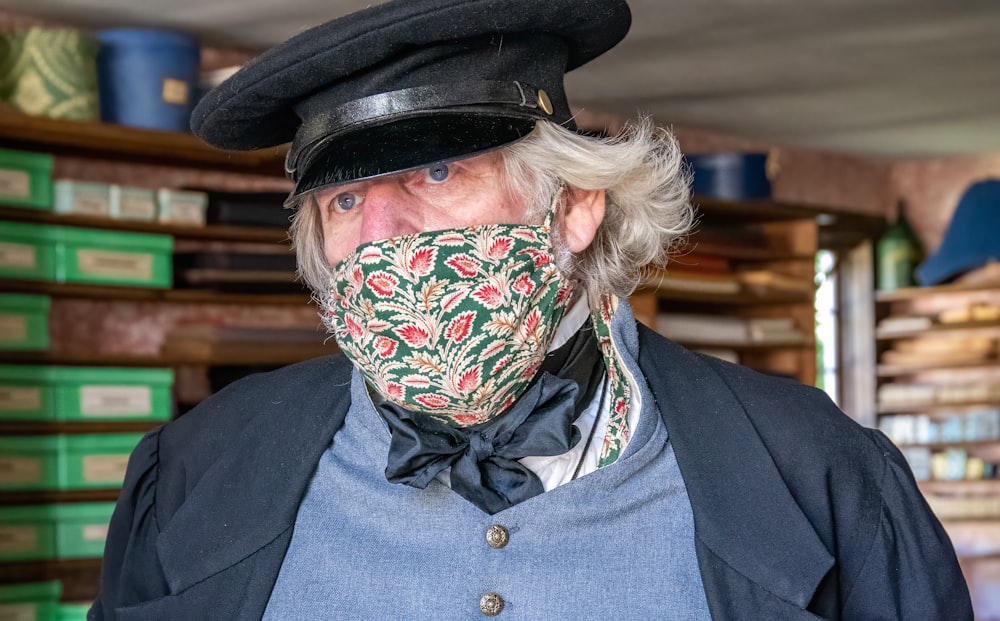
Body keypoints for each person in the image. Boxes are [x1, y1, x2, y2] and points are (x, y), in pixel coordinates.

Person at [90, 0, 973, 619]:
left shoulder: (814, 471)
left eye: (437, 174)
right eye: (344, 201)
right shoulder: (198, 468)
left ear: (574, 207)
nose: (383, 233)